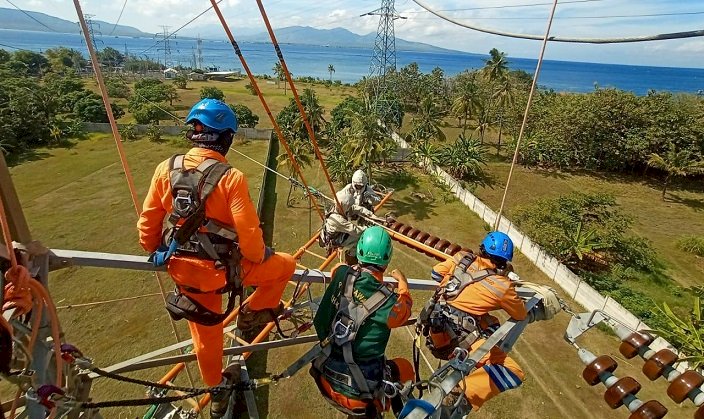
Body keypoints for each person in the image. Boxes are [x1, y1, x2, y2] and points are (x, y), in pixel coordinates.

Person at [137, 98, 296, 418]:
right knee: (287, 265)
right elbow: (251, 241)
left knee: (206, 339)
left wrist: (155, 249)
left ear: (194, 134)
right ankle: (257, 310)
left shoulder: (164, 169)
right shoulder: (230, 178)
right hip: (222, 272)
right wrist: (261, 255)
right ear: (225, 138)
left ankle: (216, 390)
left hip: (182, 272)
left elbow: (147, 226)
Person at [419, 232, 527, 415]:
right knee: (514, 371)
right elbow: (521, 313)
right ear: (504, 262)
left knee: (490, 321)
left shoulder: (461, 257)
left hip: (433, 330)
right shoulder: (502, 286)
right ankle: (459, 392)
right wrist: (505, 281)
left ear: (482, 248)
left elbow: (436, 274)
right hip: (458, 343)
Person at [311, 226, 414, 418]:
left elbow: (337, 272)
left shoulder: (342, 273)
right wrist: (403, 284)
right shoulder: (390, 304)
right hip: (359, 393)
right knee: (405, 368)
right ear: (387, 258)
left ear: (359, 251)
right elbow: (404, 310)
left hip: (324, 374)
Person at [319, 170, 384, 263]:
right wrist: (369, 228)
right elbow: (356, 231)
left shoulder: (340, 206)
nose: (358, 188)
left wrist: (371, 215)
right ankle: (351, 258)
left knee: (357, 227)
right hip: (335, 238)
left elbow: (356, 208)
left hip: (338, 229)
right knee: (358, 238)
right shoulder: (338, 220)